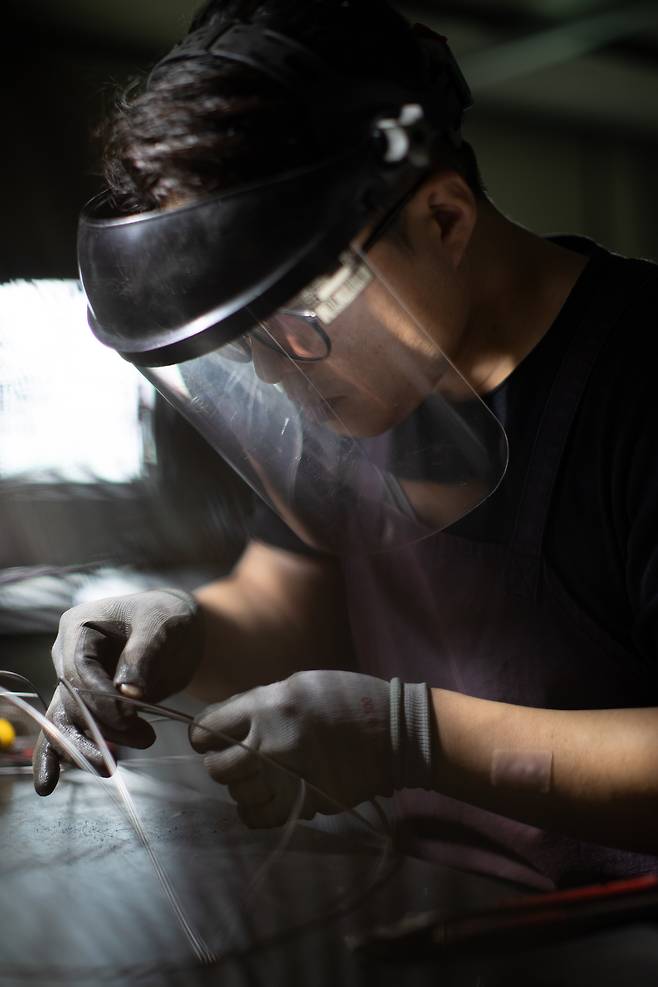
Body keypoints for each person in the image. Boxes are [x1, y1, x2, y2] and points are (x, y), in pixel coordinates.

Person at [33, 0, 658, 891]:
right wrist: (181, 632)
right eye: (240, 341)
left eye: (294, 321)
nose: (276, 373)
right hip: (445, 911)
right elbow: (289, 600)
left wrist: (410, 737)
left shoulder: (637, 379)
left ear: (443, 219)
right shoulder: (356, 387)